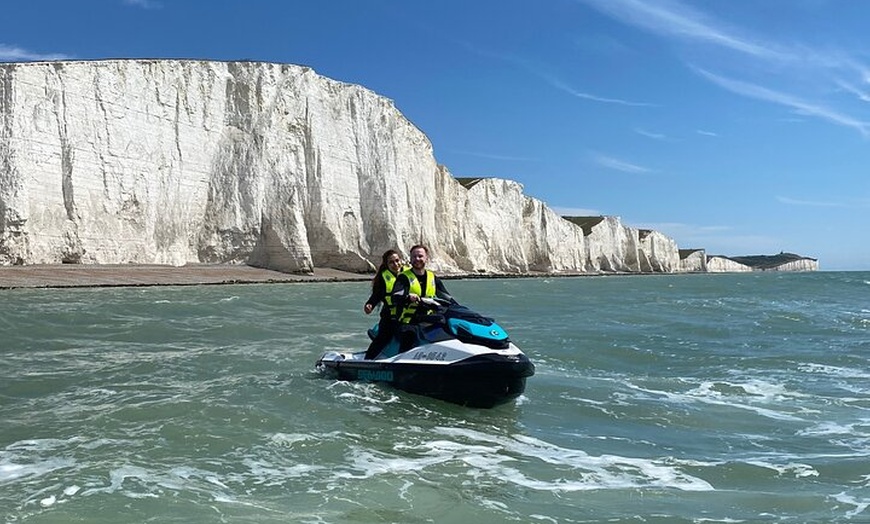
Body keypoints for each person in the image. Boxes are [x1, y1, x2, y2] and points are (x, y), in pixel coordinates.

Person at [391, 244, 455, 351]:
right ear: (410, 259)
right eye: (414, 257)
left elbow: (446, 297)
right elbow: (395, 296)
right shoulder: (404, 277)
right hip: (408, 322)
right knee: (410, 335)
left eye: (420, 256)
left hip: (429, 320)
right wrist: (407, 297)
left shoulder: (432, 277)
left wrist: (457, 307)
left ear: (426, 258)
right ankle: (402, 362)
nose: (417, 259)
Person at [362, 249, 405, 359]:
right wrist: (370, 304)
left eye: (397, 260)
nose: (395, 264)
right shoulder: (383, 277)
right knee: (383, 338)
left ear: (401, 260)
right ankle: (368, 360)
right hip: (390, 316)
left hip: (408, 315)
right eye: (391, 262)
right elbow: (376, 295)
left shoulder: (410, 273)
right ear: (386, 264)